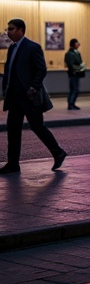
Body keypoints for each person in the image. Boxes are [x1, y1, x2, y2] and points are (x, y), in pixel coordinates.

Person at [1, 19, 67, 173]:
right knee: (13, 129)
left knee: (38, 127)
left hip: (29, 96)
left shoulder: (32, 47)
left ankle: (58, 152)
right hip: (14, 97)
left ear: (20, 30)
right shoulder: (12, 48)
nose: (8, 31)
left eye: (11, 29)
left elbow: (41, 69)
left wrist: (33, 87)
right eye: (8, 29)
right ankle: (13, 164)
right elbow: (9, 71)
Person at [64, 38, 86, 110]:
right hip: (73, 73)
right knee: (74, 89)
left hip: (77, 73)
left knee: (75, 89)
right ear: (73, 44)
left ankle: (72, 103)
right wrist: (77, 69)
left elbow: (79, 61)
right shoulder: (70, 54)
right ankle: (71, 104)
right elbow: (70, 64)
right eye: (77, 43)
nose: (78, 45)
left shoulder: (77, 53)